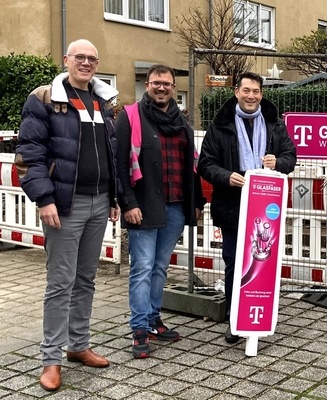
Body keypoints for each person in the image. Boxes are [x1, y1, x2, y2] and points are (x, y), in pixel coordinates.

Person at [15, 39, 119, 391]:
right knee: (60, 283)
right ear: (66, 60)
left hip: (100, 201)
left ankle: (78, 345)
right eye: (80, 57)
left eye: (92, 58)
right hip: (63, 206)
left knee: (86, 279)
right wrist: (44, 199)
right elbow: (29, 153)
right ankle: (51, 359)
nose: (86, 63)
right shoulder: (45, 98)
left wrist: (115, 196)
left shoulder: (104, 101)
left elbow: (112, 152)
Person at [199, 72, 297, 343]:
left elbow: (291, 157)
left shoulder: (275, 125)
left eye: (256, 91)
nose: (251, 95)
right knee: (233, 262)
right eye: (246, 90)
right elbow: (205, 164)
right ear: (236, 92)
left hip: (265, 207)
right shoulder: (221, 125)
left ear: (261, 95)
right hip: (232, 204)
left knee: (261, 261)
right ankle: (234, 318)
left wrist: (277, 162)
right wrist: (226, 176)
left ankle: (259, 313)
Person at [116, 64, 206, 359]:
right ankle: (139, 328)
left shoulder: (181, 122)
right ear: (147, 84)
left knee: (159, 267)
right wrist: (128, 203)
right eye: (156, 83)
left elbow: (190, 166)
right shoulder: (130, 117)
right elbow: (119, 165)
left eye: (167, 83)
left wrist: (196, 203)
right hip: (144, 206)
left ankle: (154, 319)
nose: (162, 87)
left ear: (172, 86)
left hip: (176, 205)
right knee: (141, 268)